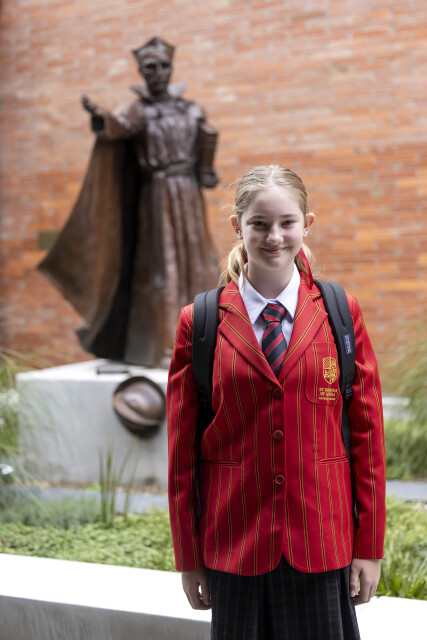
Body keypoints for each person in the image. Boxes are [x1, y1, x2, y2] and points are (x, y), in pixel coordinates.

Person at [167, 165, 386, 639]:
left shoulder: (340, 313)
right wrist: (188, 556)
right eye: (259, 224)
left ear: (307, 224)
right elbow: (181, 454)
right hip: (234, 545)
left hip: (321, 541)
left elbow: (368, 439)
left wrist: (369, 546)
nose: (274, 237)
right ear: (237, 227)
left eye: (287, 223)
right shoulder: (200, 322)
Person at [38, 37, 219, 367]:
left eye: (163, 66)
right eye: (150, 67)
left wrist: (206, 170)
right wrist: (100, 116)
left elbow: (205, 146)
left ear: (171, 68)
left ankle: (204, 340)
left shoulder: (191, 109)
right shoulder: (137, 110)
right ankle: (164, 343)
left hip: (189, 194)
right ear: (141, 72)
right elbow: (117, 126)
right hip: (156, 196)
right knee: (161, 268)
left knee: (196, 263)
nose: (158, 72)